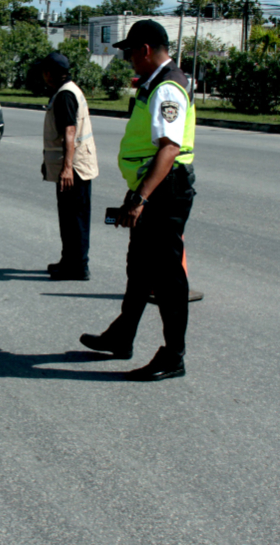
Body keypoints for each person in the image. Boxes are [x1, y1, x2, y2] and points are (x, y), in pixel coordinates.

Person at [78, 19, 196, 381]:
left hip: (164, 191)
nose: (128, 59)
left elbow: (170, 148)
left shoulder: (167, 88)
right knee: (140, 268)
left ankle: (173, 355)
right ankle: (121, 336)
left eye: (130, 52)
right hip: (152, 188)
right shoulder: (156, 83)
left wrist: (140, 198)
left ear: (145, 50)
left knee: (167, 279)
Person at [37, 52, 98, 281]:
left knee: (75, 218)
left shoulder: (65, 96)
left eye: (44, 71)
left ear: (51, 74)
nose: (43, 76)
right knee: (69, 216)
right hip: (75, 166)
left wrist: (66, 168)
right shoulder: (68, 90)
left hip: (75, 169)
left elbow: (69, 131)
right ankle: (69, 260)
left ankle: (78, 266)